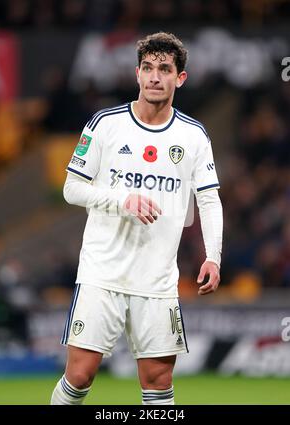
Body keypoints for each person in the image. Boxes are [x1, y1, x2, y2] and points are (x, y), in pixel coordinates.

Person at [51, 32, 223, 405]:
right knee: (80, 375)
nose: (154, 77)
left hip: (157, 279)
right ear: (137, 74)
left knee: (158, 382)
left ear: (180, 78)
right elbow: (71, 189)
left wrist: (214, 256)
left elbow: (208, 199)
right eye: (147, 68)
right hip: (102, 272)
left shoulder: (193, 136)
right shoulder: (105, 123)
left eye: (164, 69)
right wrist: (122, 200)